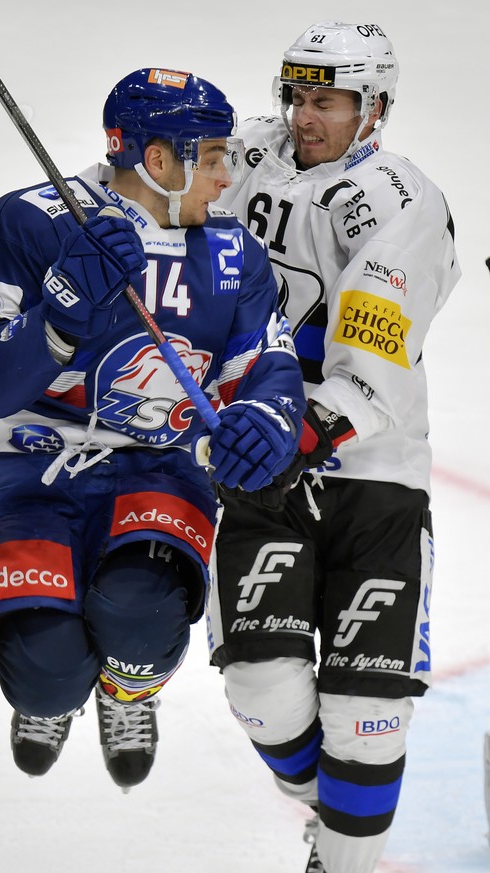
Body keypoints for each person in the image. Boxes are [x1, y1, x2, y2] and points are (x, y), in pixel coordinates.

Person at [0, 67, 306, 790]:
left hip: (159, 465)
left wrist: (265, 419)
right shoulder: (31, 223)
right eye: (210, 157)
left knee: (140, 624)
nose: (224, 175)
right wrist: (58, 311)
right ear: (157, 160)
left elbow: (266, 366)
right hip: (31, 462)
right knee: (46, 673)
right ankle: (53, 694)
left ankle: (128, 689)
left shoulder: (234, 255)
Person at [207, 21, 461, 873]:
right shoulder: (240, 155)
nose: (304, 116)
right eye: (298, 97)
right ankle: (339, 808)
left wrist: (306, 426)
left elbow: (374, 351)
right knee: (263, 694)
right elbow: (146, 191)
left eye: (327, 101)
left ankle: (346, 848)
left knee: (367, 715)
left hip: (373, 477)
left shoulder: (400, 198)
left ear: (373, 108)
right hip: (260, 462)